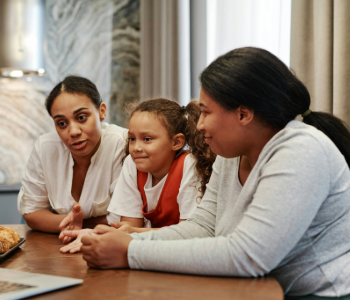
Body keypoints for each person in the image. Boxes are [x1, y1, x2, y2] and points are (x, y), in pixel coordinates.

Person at [80, 47, 350, 297]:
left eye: (206, 113)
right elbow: (204, 227)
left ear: (243, 115)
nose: (198, 125)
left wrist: (130, 252)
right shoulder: (232, 153)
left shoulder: (300, 152)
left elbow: (248, 256)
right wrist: (124, 239)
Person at [60, 98, 216, 253]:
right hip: (151, 250)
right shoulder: (132, 164)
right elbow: (129, 225)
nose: (136, 148)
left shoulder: (188, 164)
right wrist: (98, 235)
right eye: (132, 139)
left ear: (176, 142)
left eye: (147, 139)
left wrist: (133, 233)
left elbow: (188, 234)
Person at [17, 75, 127, 241]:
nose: (73, 131)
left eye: (81, 117)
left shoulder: (122, 143)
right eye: (62, 123)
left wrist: (74, 223)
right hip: (56, 248)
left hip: (109, 246)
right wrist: (72, 223)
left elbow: (125, 219)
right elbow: (32, 214)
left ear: (101, 111)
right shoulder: (45, 147)